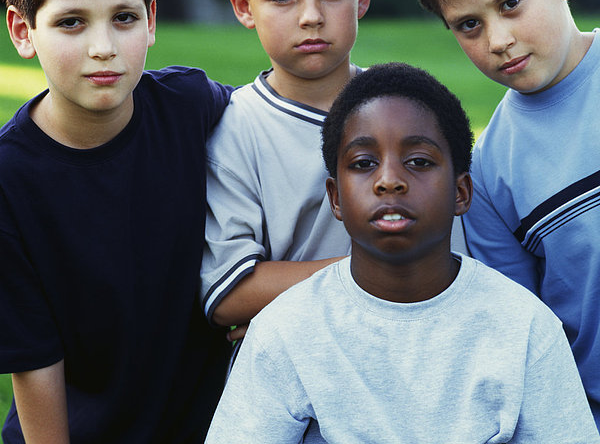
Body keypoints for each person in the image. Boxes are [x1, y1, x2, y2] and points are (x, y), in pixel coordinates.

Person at [205, 62, 599, 443]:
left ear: (461, 193)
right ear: (335, 198)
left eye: (418, 161)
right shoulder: (284, 332)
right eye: (363, 163)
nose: (389, 180)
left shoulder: (525, 328)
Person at [0, 0, 232, 443]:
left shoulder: (191, 105)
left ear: (151, 19)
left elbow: (286, 127)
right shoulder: (10, 180)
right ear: (24, 31)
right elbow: (34, 362)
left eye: (123, 18)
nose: (104, 47)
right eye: (72, 22)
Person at [409, 0, 600, 426]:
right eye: (469, 25)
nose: (497, 40)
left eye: (511, 4)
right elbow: (523, 336)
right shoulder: (488, 174)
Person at [200, 0, 371, 336]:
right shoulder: (236, 128)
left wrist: (281, 292)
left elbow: (452, 259)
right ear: (243, 6)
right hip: (291, 379)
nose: (311, 15)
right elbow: (230, 293)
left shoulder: (409, 107)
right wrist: (377, 272)